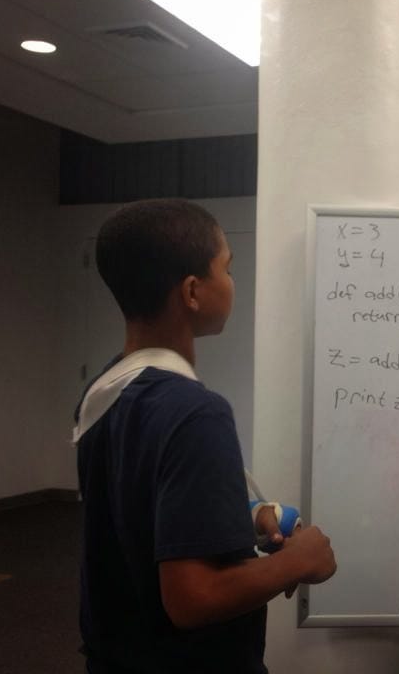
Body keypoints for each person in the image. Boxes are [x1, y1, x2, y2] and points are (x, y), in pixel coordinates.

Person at [73, 199, 336, 674]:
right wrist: (299, 561)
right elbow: (193, 598)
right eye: (227, 269)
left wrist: (244, 517)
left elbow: (137, 515)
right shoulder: (196, 413)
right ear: (193, 292)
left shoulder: (105, 392)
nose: (233, 283)